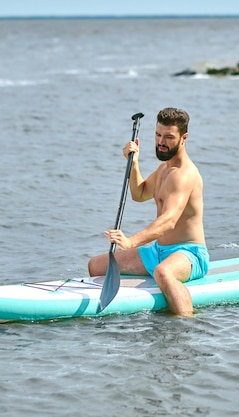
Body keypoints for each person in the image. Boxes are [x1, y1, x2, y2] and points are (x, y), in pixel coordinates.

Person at [88, 107, 209, 316]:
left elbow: (169, 221)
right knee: (97, 265)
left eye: (169, 137)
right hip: (157, 252)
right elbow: (140, 193)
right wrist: (134, 163)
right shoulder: (164, 169)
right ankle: (119, 306)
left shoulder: (183, 175)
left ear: (184, 138)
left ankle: (186, 325)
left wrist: (131, 242)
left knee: (163, 272)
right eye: (158, 134)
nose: (161, 142)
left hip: (188, 253)